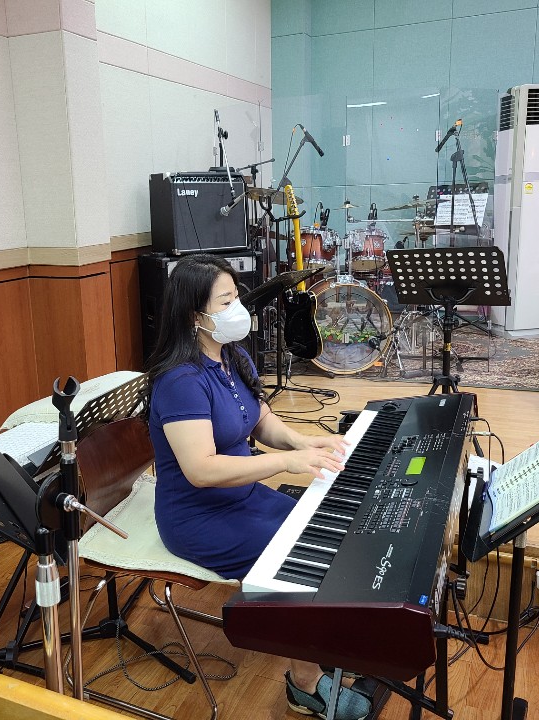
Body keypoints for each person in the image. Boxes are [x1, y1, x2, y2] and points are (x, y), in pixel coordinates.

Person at [144, 254, 375, 720]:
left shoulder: (232, 356)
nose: (238, 309)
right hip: (198, 515)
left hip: (243, 496)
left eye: (237, 297)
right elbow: (201, 470)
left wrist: (304, 441)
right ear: (195, 315)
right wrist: (286, 462)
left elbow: (261, 421)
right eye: (225, 301)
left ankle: (323, 646)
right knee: (297, 562)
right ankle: (304, 685)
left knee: (327, 536)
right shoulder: (179, 381)